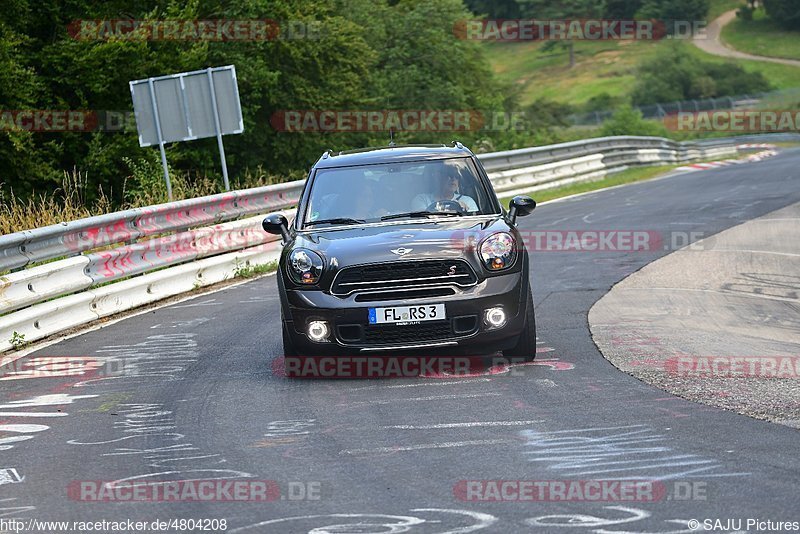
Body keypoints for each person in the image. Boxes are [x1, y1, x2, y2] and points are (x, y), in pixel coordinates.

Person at [411, 164, 478, 212]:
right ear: (439, 178)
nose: (453, 179)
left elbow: (474, 225)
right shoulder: (422, 199)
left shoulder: (468, 201)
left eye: (457, 176)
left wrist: (463, 211)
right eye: (450, 175)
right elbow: (422, 219)